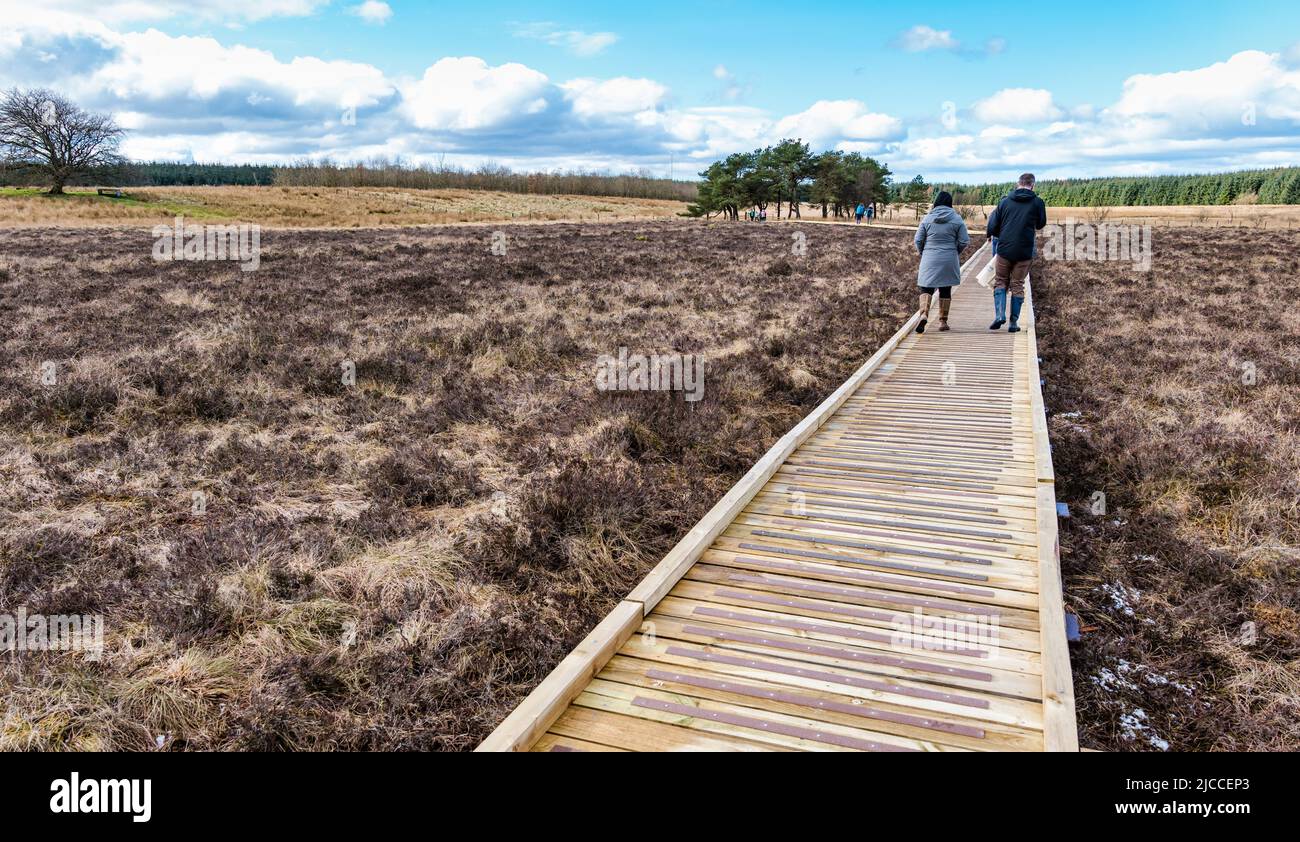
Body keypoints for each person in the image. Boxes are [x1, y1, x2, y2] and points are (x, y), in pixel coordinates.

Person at [986, 173, 1047, 332]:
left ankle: (1000, 315)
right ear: (1033, 185)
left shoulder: (1004, 202)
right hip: (1025, 251)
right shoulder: (1038, 203)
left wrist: (1002, 234)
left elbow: (992, 226)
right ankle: (1013, 323)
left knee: (1000, 281)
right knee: (1018, 285)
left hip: (1005, 249)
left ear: (1017, 184)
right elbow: (1041, 224)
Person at [913, 191, 970, 334]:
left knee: (926, 287)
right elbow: (964, 240)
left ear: (936, 202)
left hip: (929, 257)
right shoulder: (957, 219)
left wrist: (923, 252)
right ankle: (943, 321)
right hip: (949, 257)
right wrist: (955, 251)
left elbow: (918, 240)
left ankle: (924, 314)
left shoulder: (927, 219)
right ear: (950, 203)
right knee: (945, 289)